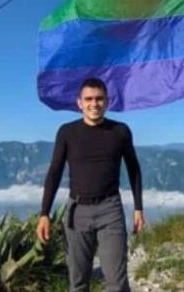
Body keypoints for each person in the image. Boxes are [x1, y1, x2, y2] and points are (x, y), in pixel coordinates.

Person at [36, 77, 144, 292]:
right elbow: (54, 172)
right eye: (89, 99)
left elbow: (134, 169)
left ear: (107, 101)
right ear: (79, 103)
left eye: (99, 99)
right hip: (77, 211)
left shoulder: (120, 131)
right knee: (78, 282)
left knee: (117, 282)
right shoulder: (67, 132)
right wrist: (44, 213)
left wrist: (138, 208)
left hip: (110, 209)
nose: (94, 104)